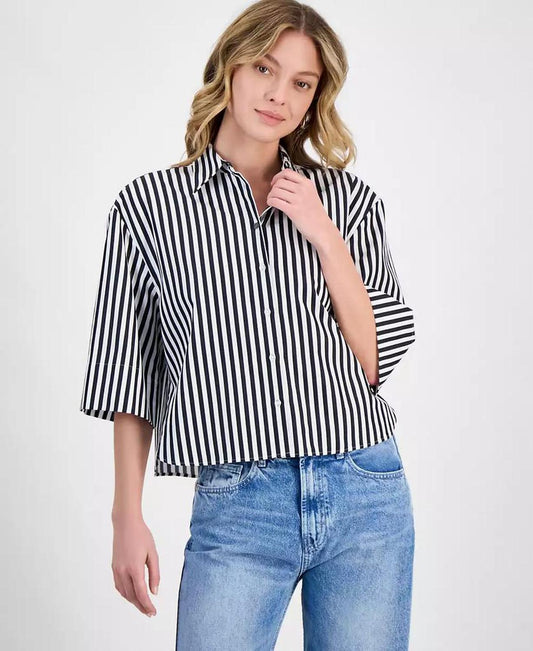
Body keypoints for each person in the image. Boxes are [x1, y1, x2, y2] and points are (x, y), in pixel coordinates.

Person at [79, 1, 417, 648]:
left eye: (301, 82)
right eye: (265, 68)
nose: (278, 94)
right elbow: (130, 373)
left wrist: (324, 234)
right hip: (239, 500)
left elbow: (373, 362)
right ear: (230, 66)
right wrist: (127, 514)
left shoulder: (346, 201)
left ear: (314, 98)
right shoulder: (148, 207)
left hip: (365, 489)